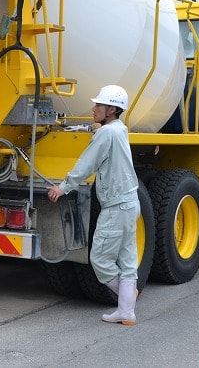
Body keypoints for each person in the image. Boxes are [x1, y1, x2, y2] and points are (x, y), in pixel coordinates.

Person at [47, 85, 140, 326]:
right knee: (127, 258)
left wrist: (63, 187)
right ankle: (126, 310)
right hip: (130, 203)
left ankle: (126, 300)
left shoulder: (106, 133)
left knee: (99, 257)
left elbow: (87, 164)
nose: (94, 108)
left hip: (117, 206)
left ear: (112, 109)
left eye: (99, 105)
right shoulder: (120, 129)